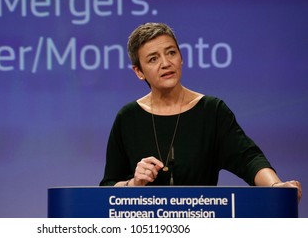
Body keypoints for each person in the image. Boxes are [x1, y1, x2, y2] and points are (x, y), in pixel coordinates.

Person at [99, 22, 302, 202]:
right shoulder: (128, 118)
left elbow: (249, 159)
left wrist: (276, 188)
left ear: (181, 57)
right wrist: (134, 184)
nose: (166, 63)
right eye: (153, 59)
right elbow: (107, 187)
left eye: (171, 52)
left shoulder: (211, 111)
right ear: (139, 72)